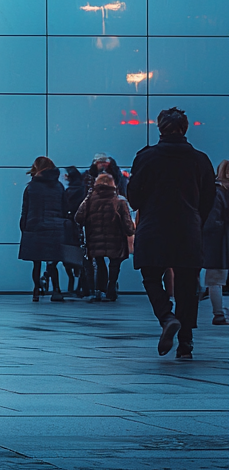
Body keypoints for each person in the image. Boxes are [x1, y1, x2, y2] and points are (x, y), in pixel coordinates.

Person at [127, 107, 216, 360]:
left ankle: (167, 316)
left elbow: (133, 198)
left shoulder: (146, 157)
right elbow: (208, 198)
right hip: (188, 228)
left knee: (151, 277)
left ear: (160, 129)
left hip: (154, 227)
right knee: (188, 285)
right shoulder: (200, 160)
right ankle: (186, 343)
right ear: (185, 128)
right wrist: (196, 220)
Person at [75, 173, 135, 303]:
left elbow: (78, 217)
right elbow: (127, 224)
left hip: (94, 238)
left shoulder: (89, 200)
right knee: (115, 263)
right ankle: (111, 287)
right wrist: (130, 231)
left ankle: (99, 289)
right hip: (116, 239)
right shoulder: (119, 201)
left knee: (99, 262)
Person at [18, 157, 70, 303]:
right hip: (56, 227)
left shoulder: (31, 187)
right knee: (53, 261)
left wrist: (24, 227)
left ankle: (36, 290)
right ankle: (56, 290)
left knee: (36, 262)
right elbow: (65, 207)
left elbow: (25, 209)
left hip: (35, 226)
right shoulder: (59, 186)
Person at [201, 160, 229, 326]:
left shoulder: (218, 191)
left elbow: (212, 221)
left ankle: (219, 314)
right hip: (222, 239)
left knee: (215, 280)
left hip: (220, 242)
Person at [62, 166, 89, 297]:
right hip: (78, 227)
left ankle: (74, 284)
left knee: (68, 255)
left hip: (70, 227)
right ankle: (81, 286)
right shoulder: (82, 190)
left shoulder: (70, 191)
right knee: (79, 256)